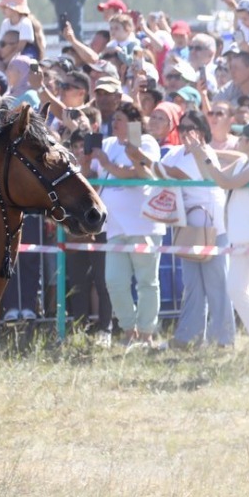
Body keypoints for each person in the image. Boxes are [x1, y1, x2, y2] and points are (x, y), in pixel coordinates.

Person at [196, 121, 249, 346]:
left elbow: (226, 182)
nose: (238, 140)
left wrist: (207, 157)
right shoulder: (244, 161)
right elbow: (213, 177)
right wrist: (201, 154)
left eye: (242, 137)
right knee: (236, 288)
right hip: (241, 234)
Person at [87, 101, 164, 348]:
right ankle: (129, 330)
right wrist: (88, 155)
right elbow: (91, 173)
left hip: (143, 225)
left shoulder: (147, 142)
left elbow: (138, 174)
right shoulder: (108, 144)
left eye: (120, 119)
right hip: (115, 227)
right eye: (114, 119)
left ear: (133, 123)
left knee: (146, 282)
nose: (115, 123)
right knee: (114, 281)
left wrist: (112, 162)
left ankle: (146, 333)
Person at [159, 110, 235, 350]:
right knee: (192, 285)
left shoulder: (205, 154)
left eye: (190, 128)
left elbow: (173, 173)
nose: (184, 132)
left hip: (213, 227)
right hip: (188, 227)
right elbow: (161, 170)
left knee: (217, 285)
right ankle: (188, 337)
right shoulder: (175, 152)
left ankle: (223, 340)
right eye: (181, 128)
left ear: (202, 131)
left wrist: (143, 159)